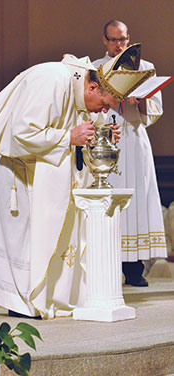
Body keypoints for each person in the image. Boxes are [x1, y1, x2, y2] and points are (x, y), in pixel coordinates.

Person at [0, 46, 154, 319]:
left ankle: (47, 299)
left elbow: (75, 131)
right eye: (106, 104)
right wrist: (69, 137)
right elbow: (21, 132)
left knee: (44, 228)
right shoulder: (50, 80)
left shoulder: (79, 91)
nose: (104, 110)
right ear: (93, 87)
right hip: (8, 161)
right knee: (22, 234)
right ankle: (22, 302)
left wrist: (100, 135)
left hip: (36, 163)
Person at [93, 20, 167, 286]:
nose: (118, 45)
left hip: (134, 138)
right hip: (107, 137)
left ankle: (135, 269)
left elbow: (155, 109)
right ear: (104, 40)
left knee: (137, 199)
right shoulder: (96, 69)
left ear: (129, 38)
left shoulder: (145, 68)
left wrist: (143, 98)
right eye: (113, 40)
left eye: (122, 39)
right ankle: (108, 266)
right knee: (110, 201)